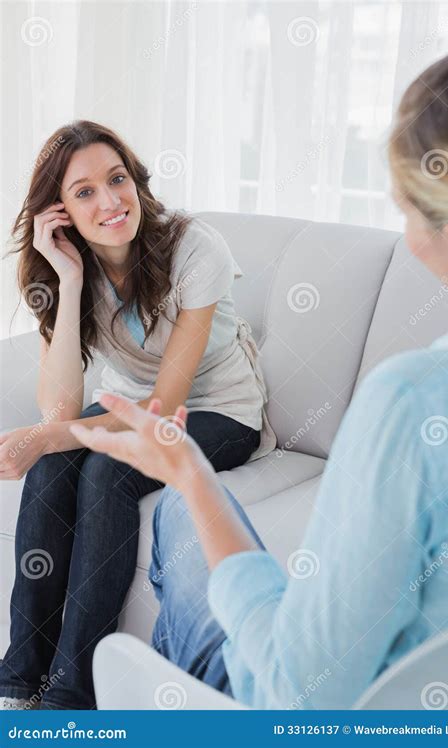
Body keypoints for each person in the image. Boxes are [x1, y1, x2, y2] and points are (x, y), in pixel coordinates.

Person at [68, 47, 448, 710]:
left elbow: (301, 692)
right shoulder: (91, 279)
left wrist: (192, 475)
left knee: (179, 509)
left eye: (406, 210)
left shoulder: (416, 401)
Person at [0, 120, 275, 710]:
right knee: (52, 470)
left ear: (136, 180)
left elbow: (163, 410)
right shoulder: (62, 271)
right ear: (59, 212)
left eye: (117, 179)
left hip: (218, 412)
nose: (110, 202)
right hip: (124, 406)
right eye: (84, 192)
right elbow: (62, 408)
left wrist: (52, 435)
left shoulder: (195, 249)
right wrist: (70, 280)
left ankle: (72, 696)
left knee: (105, 475)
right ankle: (18, 683)